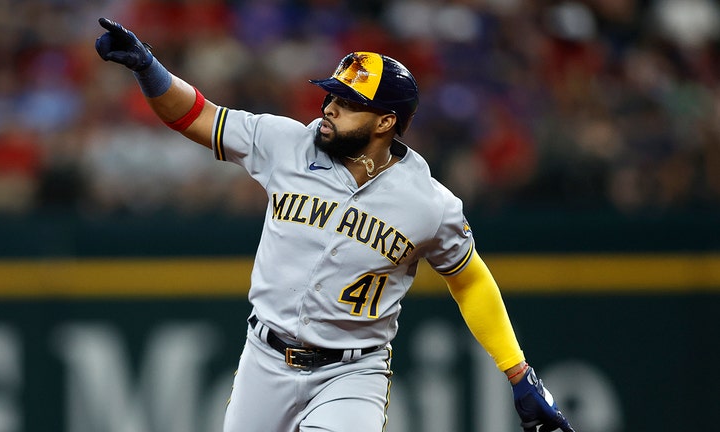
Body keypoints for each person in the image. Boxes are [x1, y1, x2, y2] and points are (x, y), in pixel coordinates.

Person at [95, 17, 576, 432]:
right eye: (331, 95)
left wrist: (518, 373)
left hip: (353, 373)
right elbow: (197, 115)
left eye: (346, 103)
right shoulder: (286, 144)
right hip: (265, 359)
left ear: (386, 122)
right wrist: (148, 68)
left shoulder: (430, 204)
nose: (329, 107)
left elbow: (470, 279)